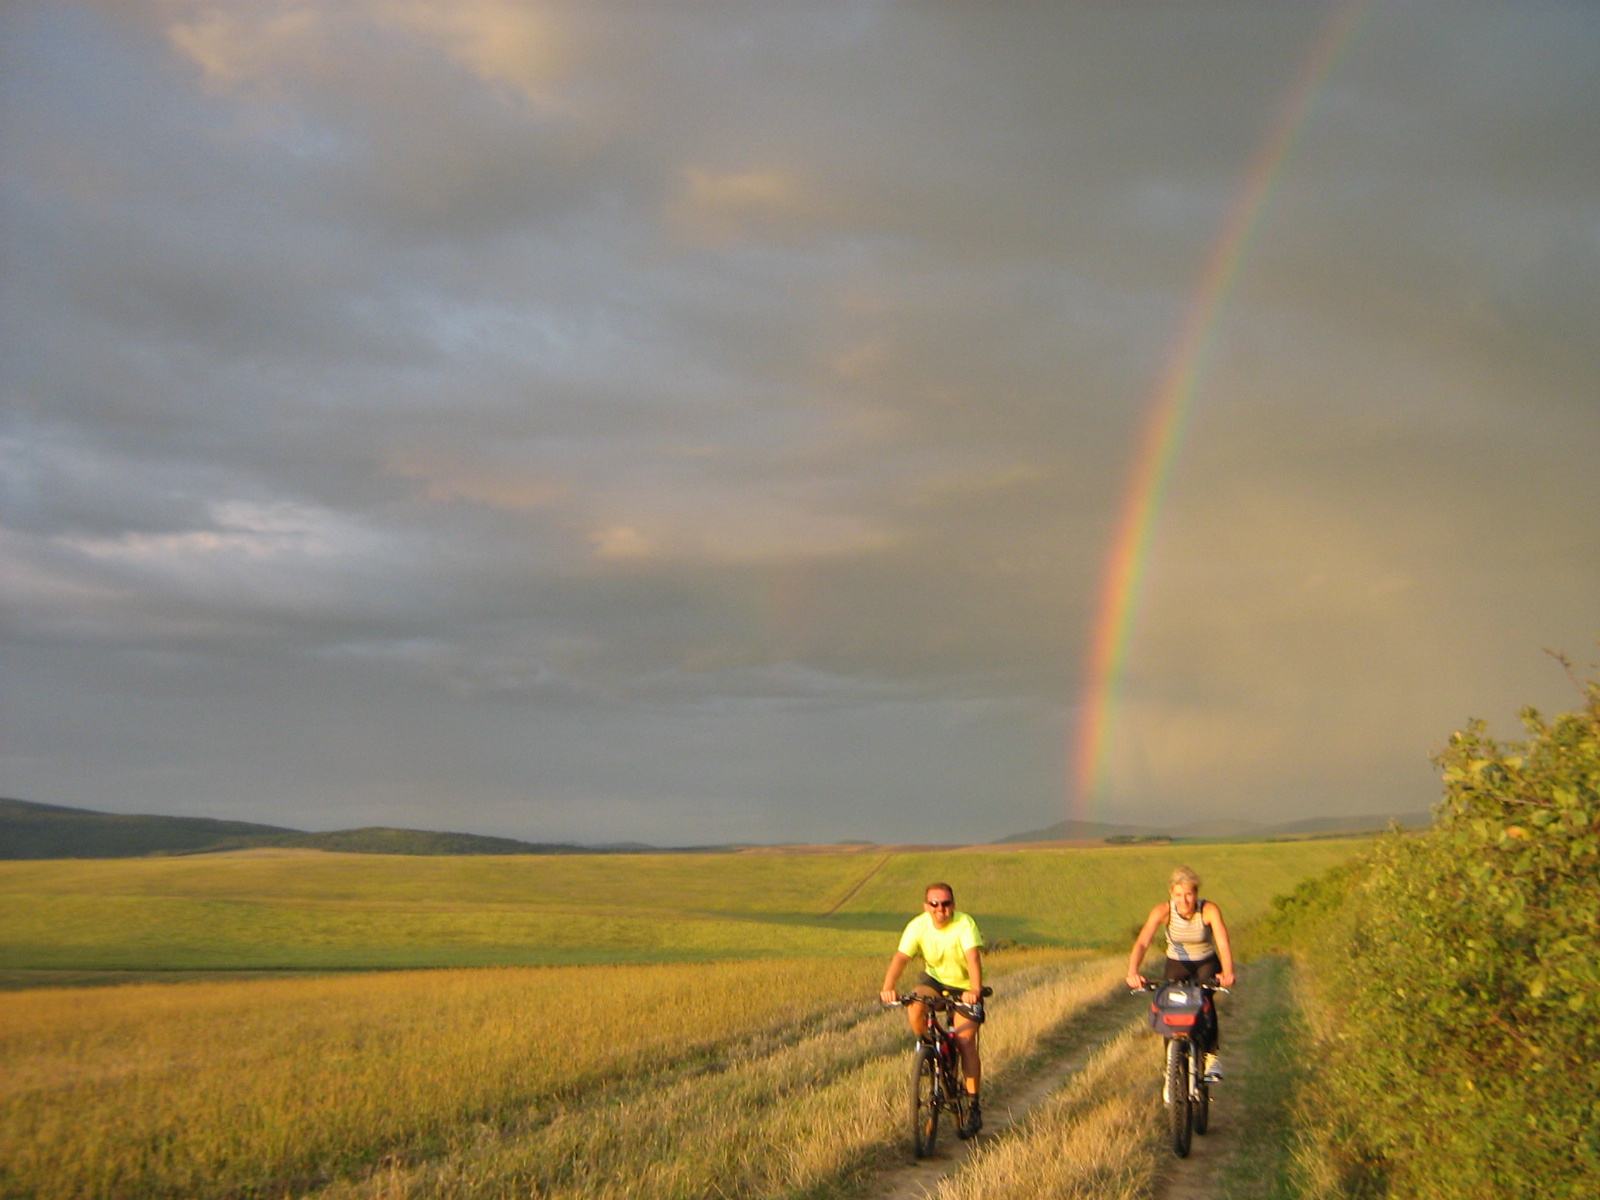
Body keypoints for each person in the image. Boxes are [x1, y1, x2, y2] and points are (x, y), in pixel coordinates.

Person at [880, 881, 987, 1138]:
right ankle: (928, 1049)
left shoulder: (964, 923)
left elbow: (973, 958)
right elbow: (901, 958)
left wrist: (974, 990)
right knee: (915, 1005)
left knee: (965, 1041)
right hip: (935, 983)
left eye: (946, 903)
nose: (941, 909)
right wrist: (888, 987)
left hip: (963, 987)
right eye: (934, 904)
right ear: (926, 906)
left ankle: (973, 1107)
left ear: (953, 905)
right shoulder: (918, 925)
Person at [1126, 866, 1235, 1082]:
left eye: (1188, 894)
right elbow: (1142, 942)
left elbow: (1222, 943)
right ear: (1171, 894)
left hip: (1205, 962)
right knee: (1171, 1005)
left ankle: (1212, 1057)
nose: (1184, 900)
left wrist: (1228, 971)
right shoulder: (1163, 911)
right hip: (1177, 963)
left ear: (1196, 893)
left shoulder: (1209, 910)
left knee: (1205, 1002)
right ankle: (1171, 1067)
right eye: (1178, 895)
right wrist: (1133, 972)